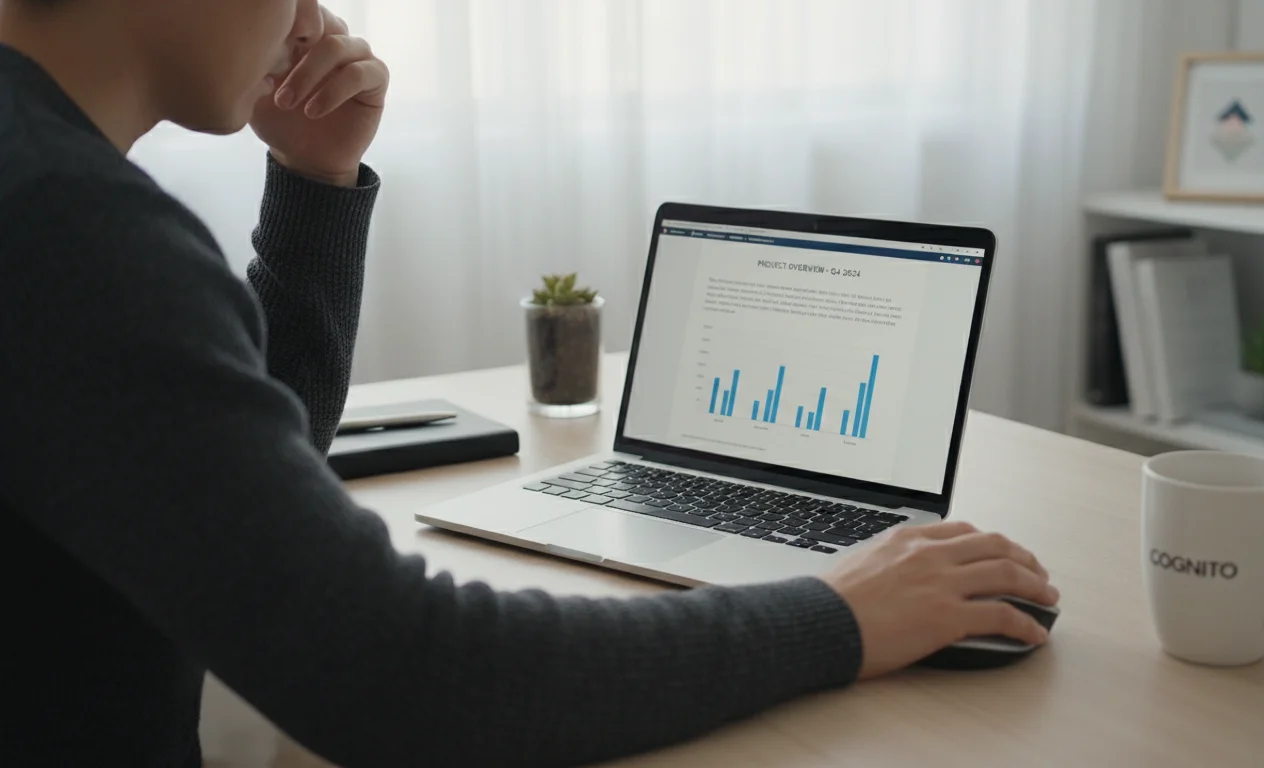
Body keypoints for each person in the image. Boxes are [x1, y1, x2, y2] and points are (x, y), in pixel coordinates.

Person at [0, 0, 1059, 765]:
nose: (310, 10)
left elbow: (224, 484)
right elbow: (408, 679)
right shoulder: (71, 227)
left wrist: (316, 179)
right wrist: (839, 611)